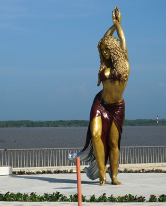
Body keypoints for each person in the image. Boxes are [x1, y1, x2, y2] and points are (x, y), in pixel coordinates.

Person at [69, 7, 130, 186]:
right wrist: (110, 28)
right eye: (102, 50)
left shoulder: (124, 65)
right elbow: (103, 40)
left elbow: (123, 43)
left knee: (112, 142)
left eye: (107, 50)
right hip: (100, 103)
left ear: (114, 50)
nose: (104, 53)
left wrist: (117, 25)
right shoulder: (104, 65)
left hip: (116, 108)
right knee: (96, 135)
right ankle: (102, 174)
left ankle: (114, 176)